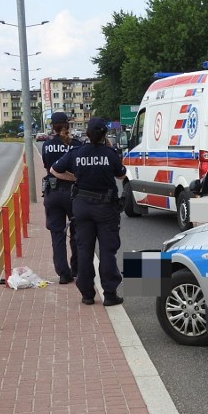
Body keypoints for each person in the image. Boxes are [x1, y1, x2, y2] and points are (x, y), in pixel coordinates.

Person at [51, 117, 127, 306]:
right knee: (108, 251)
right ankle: (109, 294)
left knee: (84, 250)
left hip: (82, 206)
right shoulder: (110, 153)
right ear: (104, 134)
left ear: (87, 133)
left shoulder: (77, 152)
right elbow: (121, 174)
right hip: (106, 208)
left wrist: (74, 178)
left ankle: (87, 294)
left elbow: (54, 170)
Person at [42, 112, 80, 284]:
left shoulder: (47, 145)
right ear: (68, 125)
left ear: (52, 126)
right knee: (77, 233)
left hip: (53, 193)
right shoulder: (77, 145)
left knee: (57, 234)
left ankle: (63, 274)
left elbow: (46, 166)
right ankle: (76, 268)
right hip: (74, 193)